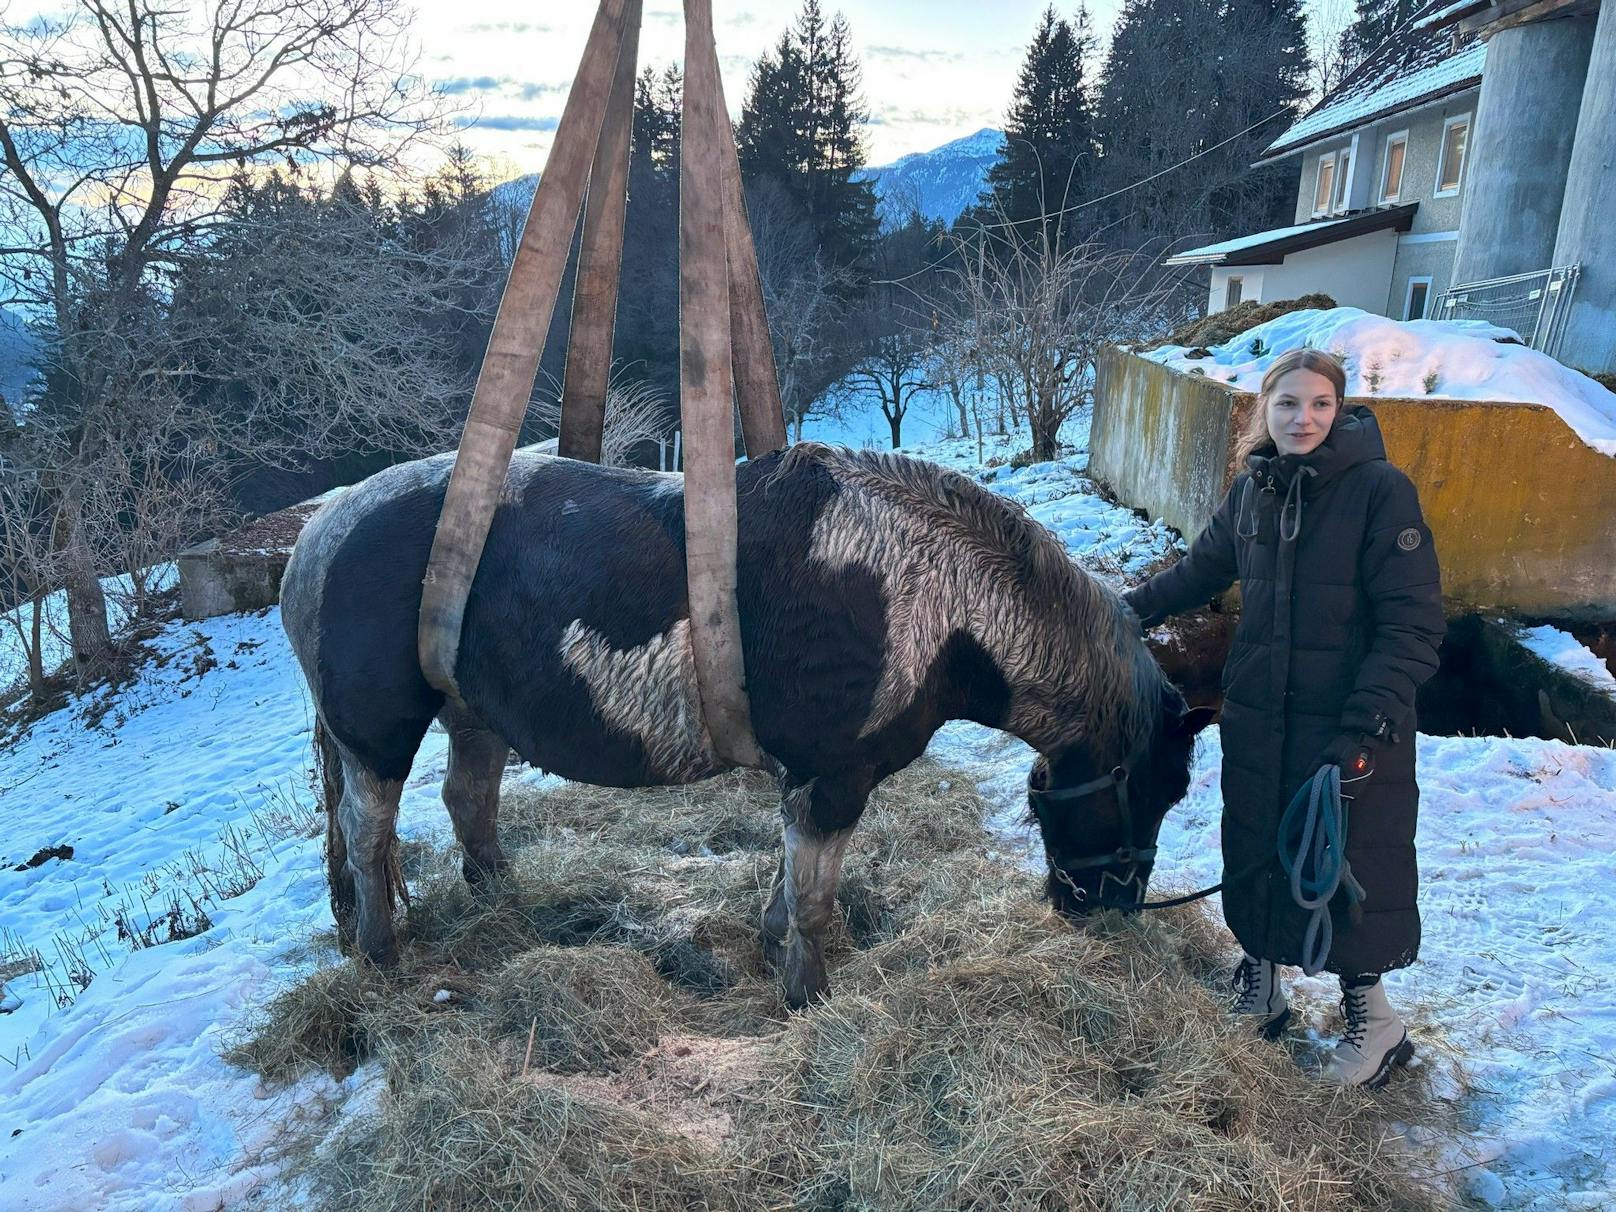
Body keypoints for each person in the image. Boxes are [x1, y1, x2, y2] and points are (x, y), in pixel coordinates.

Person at [1123, 347, 1445, 1088]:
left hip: (1350, 728)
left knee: (1352, 868)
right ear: (1263, 411)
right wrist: (1119, 611)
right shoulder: (1252, 492)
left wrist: (1366, 727)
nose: (1304, 419)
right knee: (1259, 846)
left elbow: (1414, 624)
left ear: (1341, 410)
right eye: (1288, 404)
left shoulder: (1379, 493)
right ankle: (1262, 987)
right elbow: (1198, 570)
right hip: (1264, 718)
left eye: (1320, 404)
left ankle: (1377, 1023)